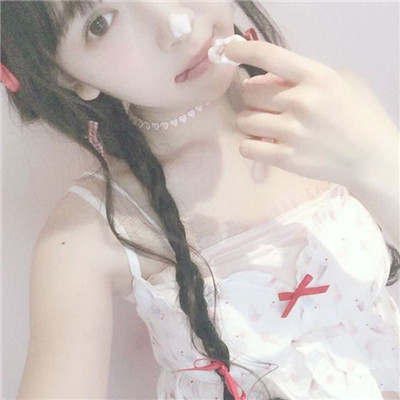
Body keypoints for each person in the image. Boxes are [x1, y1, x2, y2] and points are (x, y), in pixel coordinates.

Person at [2, 1, 399, 399]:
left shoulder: (330, 106)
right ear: (67, 76)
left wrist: (379, 166)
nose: (175, 24)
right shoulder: (88, 233)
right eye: (101, 23)